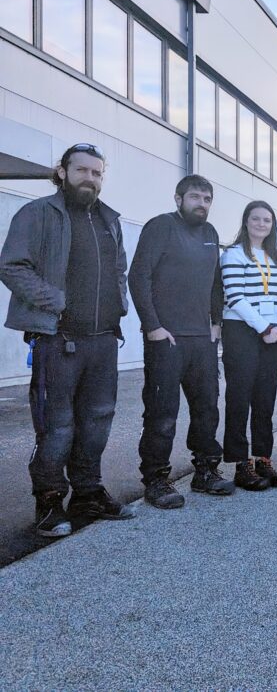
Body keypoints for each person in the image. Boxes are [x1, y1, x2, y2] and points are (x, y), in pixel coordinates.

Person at [0, 143, 134, 536]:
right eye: (82, 170)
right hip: (57, 341)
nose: (89, 178)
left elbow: (119, 270)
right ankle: (49, 501)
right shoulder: (38, 213)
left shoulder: (109, 219)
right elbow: (11, 265)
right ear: (62, 172)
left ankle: (88, 494)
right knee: (57, 427)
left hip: (103, 339)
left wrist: (119, 306)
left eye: (96, 173)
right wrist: (54, 300)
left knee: (97, 422)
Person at [130, 174, 231, 509]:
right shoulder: (161, 226)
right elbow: (139, 276)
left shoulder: (210, 233)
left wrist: (215, 323)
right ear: (178, 198)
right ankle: (156, 480)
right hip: (167, 340)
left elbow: (216, 282)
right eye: (195, 197)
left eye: (207, 199)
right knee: (162, 413)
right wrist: (153, 327)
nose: (201, 204)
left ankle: (206, 471)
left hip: (202, 339)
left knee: (207, 409)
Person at [220, 201, 277, 491]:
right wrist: (264, 328)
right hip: (242, 331)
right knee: (240, 398)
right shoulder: (233, 254)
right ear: (246, 222)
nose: (262, 224)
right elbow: (235, 297)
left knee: (265, 398)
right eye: (256, 219)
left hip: (272, 333)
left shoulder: (276, 257)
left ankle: (263, 458)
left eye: (267, 220)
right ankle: (241, 464)